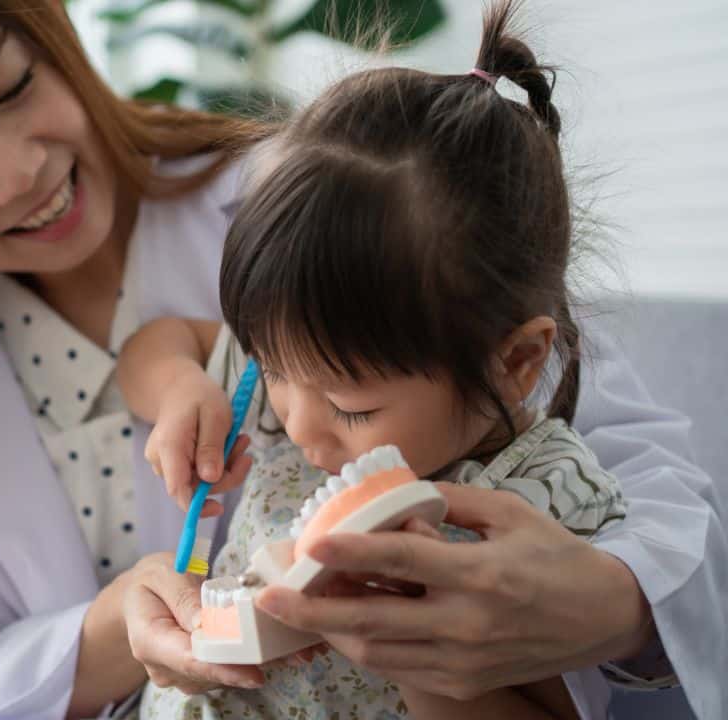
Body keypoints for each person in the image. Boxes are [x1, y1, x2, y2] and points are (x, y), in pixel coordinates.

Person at [0, 0, 725, 718]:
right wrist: (111, 635)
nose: (17, 171)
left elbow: (653, 495)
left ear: (52, 37)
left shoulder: (339, 205)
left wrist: (605, 607)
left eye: (13, 87)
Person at [117, 5, 628, 716]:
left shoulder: (543, 510)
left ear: (515, 361)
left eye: (350, 408)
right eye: (273, 368)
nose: (298, 426)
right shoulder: (296, 374)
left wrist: (408, 644)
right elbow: (154, 343)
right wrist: (180, 389)